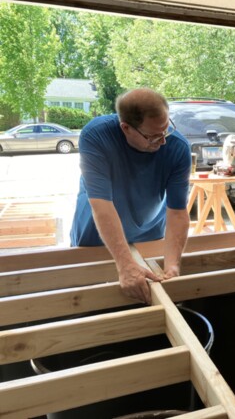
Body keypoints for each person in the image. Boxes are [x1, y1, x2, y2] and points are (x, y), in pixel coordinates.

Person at [70, 88, 192, 305]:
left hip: (148, 231)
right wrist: (125, 265)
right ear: (126, 128)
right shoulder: (96, 136)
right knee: (92, 302)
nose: (163, 141)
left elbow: (177, 212)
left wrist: (172, 264)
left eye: (166, 130)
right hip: (96, 234)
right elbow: (102, 206)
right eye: (153, 136)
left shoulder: (178, 147)